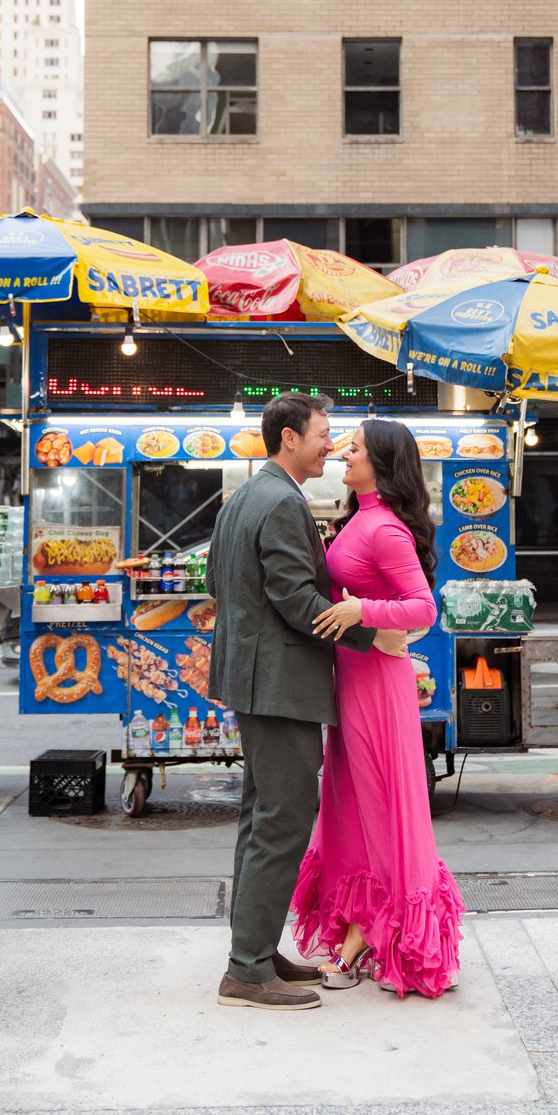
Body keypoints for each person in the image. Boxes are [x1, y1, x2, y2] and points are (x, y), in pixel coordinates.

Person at [206, 392, 409, 1013]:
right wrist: (374, 634)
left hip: (255, 677)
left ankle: (257, 954)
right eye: (324, 434)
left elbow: (218, 579)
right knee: (284, 819)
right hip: (280, 685)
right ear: (290, 437)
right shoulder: (282, 503)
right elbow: (297, 600)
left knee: (261, 816)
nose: (333, 444)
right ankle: (246, 971)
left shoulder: (247, 494)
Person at [291, 419, 464, 999]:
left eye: (356, 448)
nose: (344, 452)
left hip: (377, 687)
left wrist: (362, 612)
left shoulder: (385, 528)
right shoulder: (361, 519)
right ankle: (365, 931)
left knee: (378, 806)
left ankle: (369, 936)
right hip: (355, 679)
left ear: (383, 462)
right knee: (352, 807)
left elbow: (422, 609)